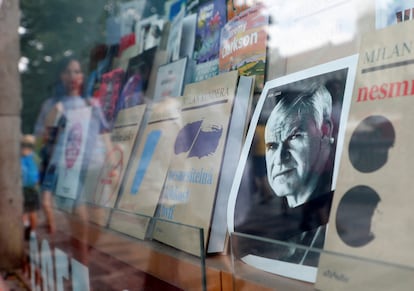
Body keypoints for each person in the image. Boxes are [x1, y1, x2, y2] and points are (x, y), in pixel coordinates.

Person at [263, 83, 336, 264]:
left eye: (294, 136)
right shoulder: (266, 218)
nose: (279, 158)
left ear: (325, 132)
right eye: (271, 146)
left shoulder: (336, 216)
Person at [20, 134, 40, 238]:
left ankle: (32, 231)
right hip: (24, 189)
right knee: (24, 211)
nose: (25, 148)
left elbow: (33, 176)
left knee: (31, 211)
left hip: (30, 189)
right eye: (23, 145)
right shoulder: (22, 157)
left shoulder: (32, 158)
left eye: (28, 146)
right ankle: (27, 227)